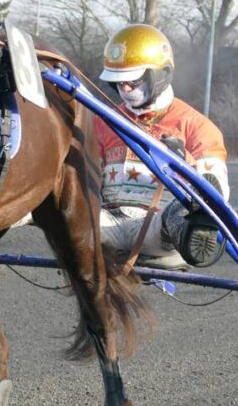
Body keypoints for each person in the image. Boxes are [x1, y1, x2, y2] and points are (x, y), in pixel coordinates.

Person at [95, 24, 230, 271]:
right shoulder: (104, 121)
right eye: (118, 81)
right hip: (104, 224)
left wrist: (184, 166)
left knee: (194, 204)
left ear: (161, 73)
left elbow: (219, 191)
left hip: (156, 226)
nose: (124, 89)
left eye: (133, 80)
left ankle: (189, 230)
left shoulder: (197, 126)